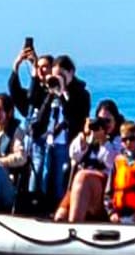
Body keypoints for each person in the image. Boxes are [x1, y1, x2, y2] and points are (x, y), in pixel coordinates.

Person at [31, 54, 92, 211]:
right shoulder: (51, 90)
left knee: (60, 181)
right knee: (42, 178)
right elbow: (39, 119)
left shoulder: (81, 94)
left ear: (71, 73)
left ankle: (58, 209)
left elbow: (77, 119)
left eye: (62, 75)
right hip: (48, 142)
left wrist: (64, 93)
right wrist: (50, 94)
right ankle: (40, 207)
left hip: (66, 144)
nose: (58, 78)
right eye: (56, 74)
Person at [9, 44, 55, 197]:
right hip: (31, 140)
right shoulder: (34, 89)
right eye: (39, 67)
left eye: (45, 67)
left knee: (43, 174)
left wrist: (36, 69)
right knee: (30, 174)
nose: (41, 70)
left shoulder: (55, 90)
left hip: (48, 140)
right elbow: (20, 95)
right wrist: (16, 66)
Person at [53, 114, 117, 223]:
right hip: (80, 185)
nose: (103, 125)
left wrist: (104, 142)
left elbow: (112, 163)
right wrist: (84, 138)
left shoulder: (119, 140)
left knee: (82, 176)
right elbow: (74, 155)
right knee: (60, 216)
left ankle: (75, 224)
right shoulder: (88, 139)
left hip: (104, 185)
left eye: (107, 120)